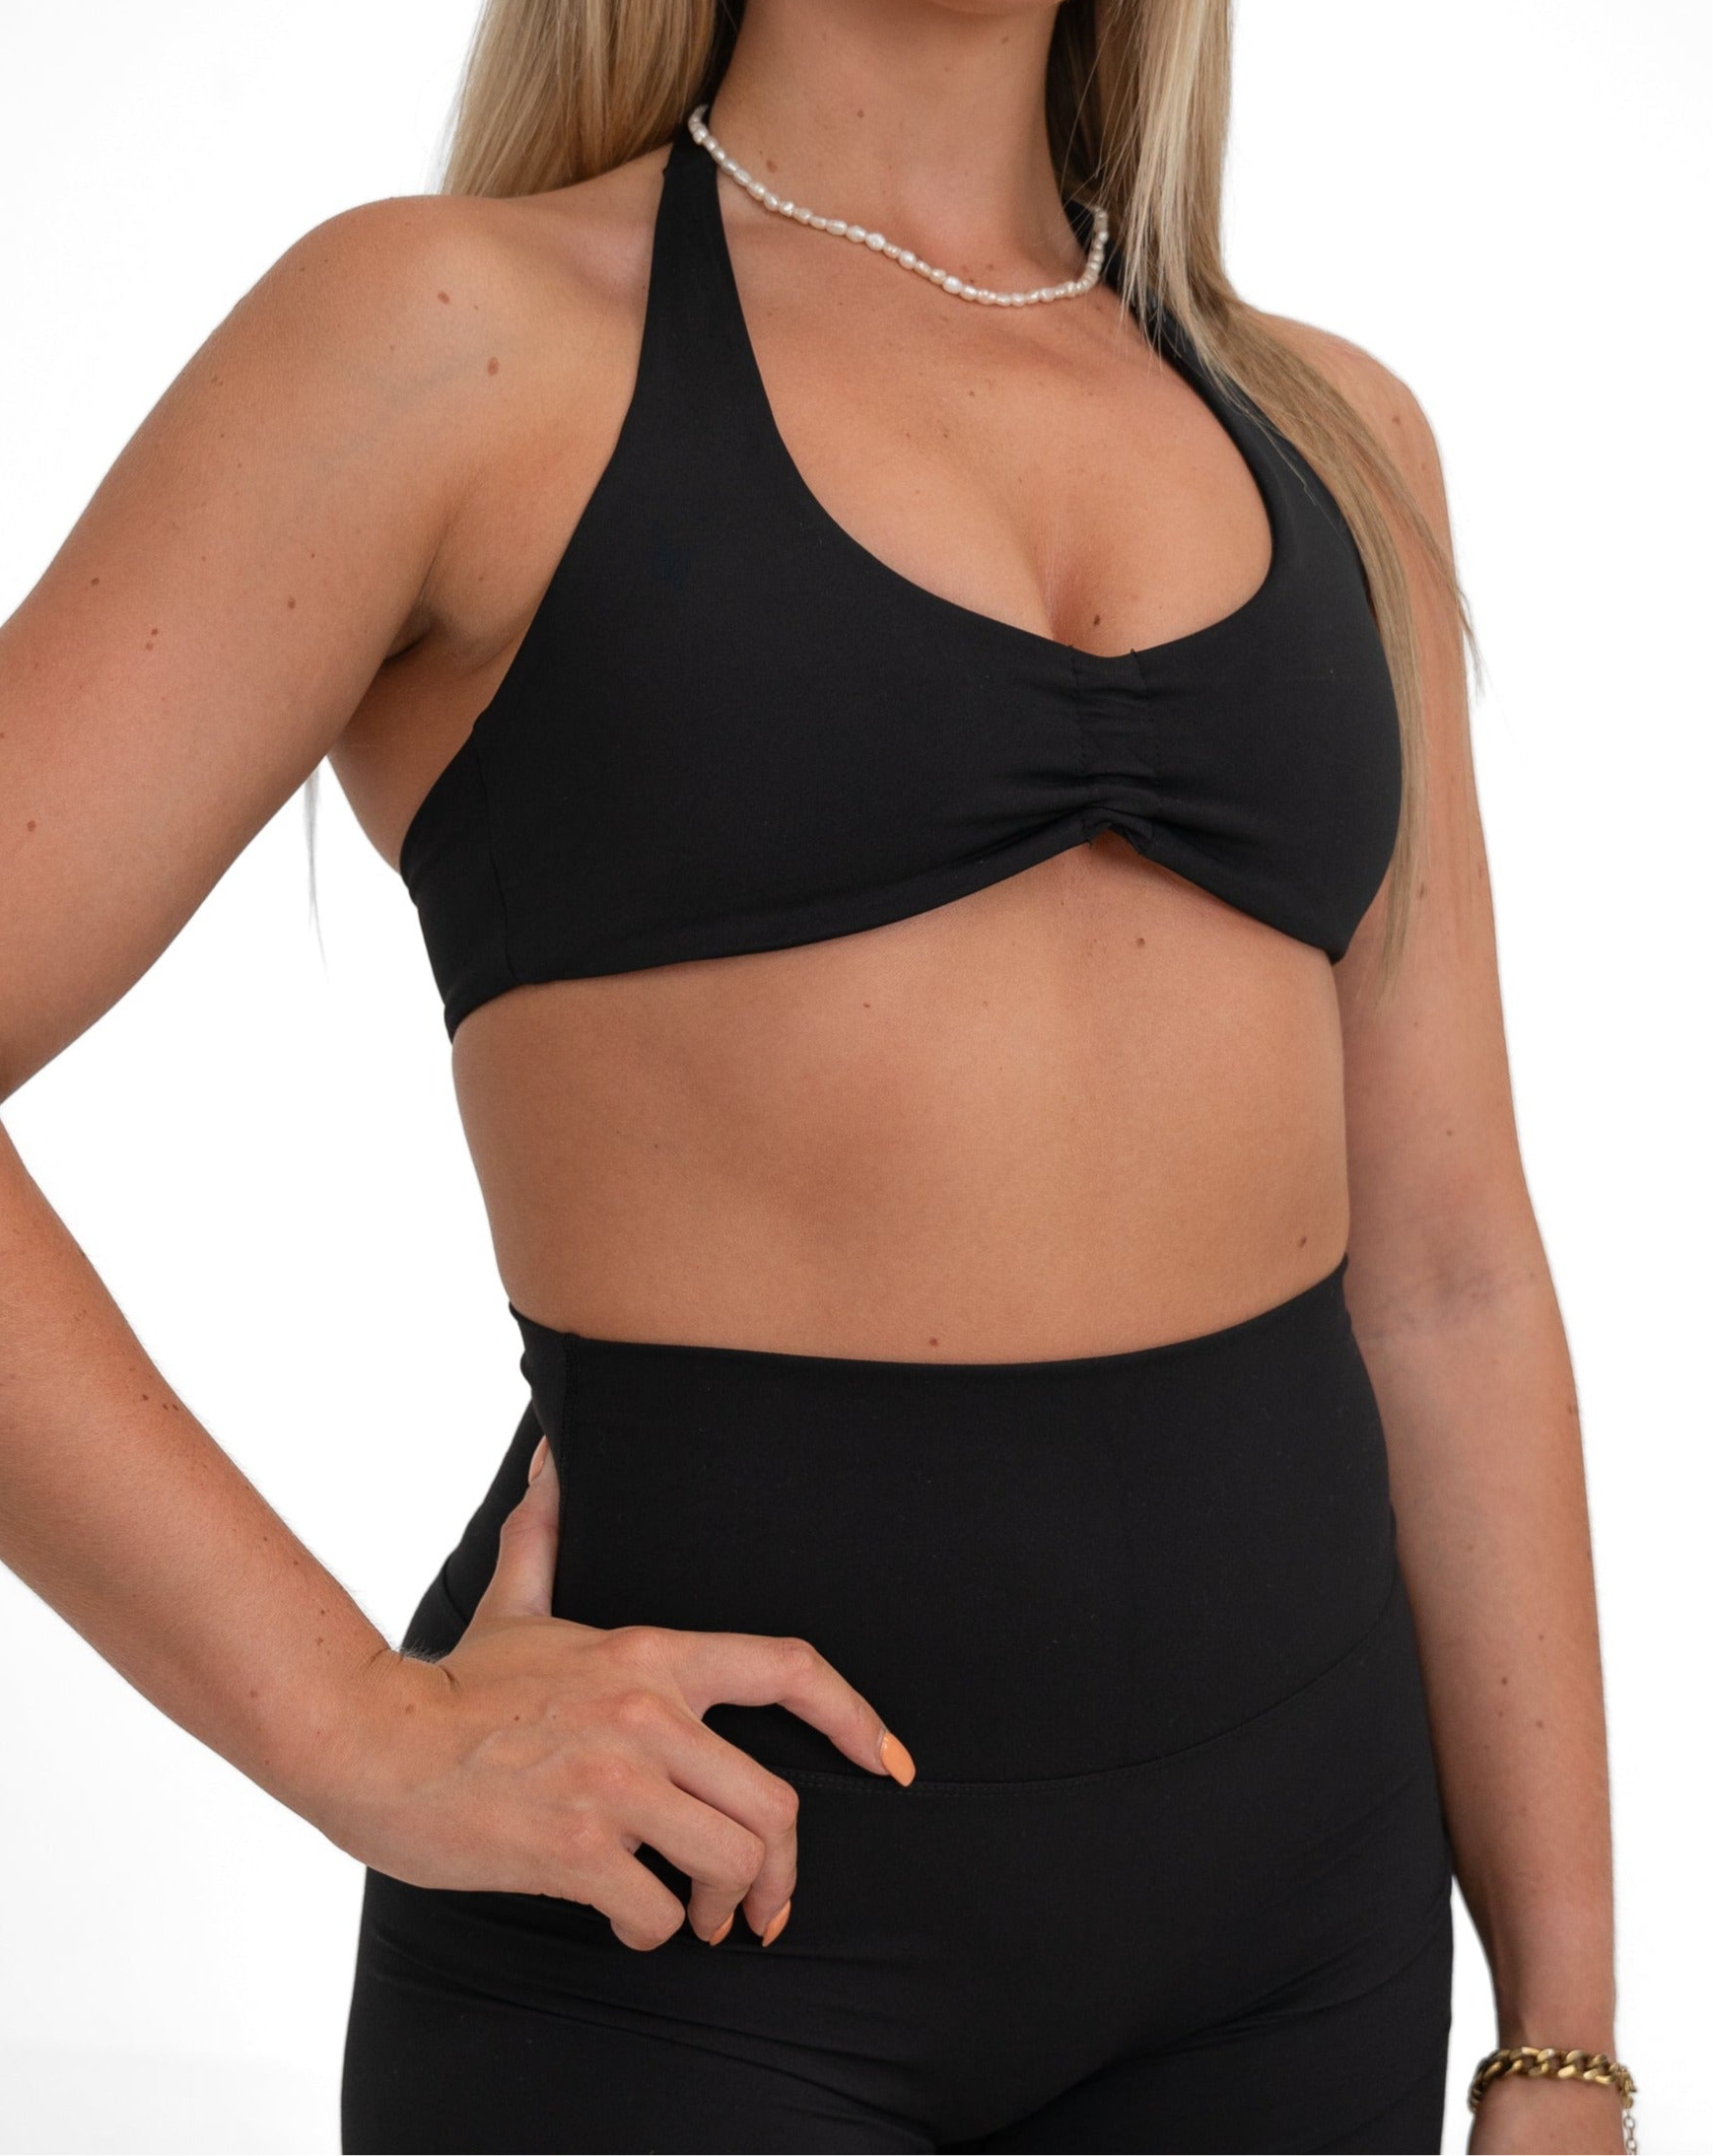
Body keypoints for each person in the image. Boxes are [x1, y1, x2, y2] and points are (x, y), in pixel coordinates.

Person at [0, 2, 1636, 2152]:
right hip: (684, 1948)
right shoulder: (455, 338)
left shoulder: (1335, 443)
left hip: (1295, 1964)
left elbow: (1445, 1275)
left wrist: (1560, 2031)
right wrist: (349, 1721)